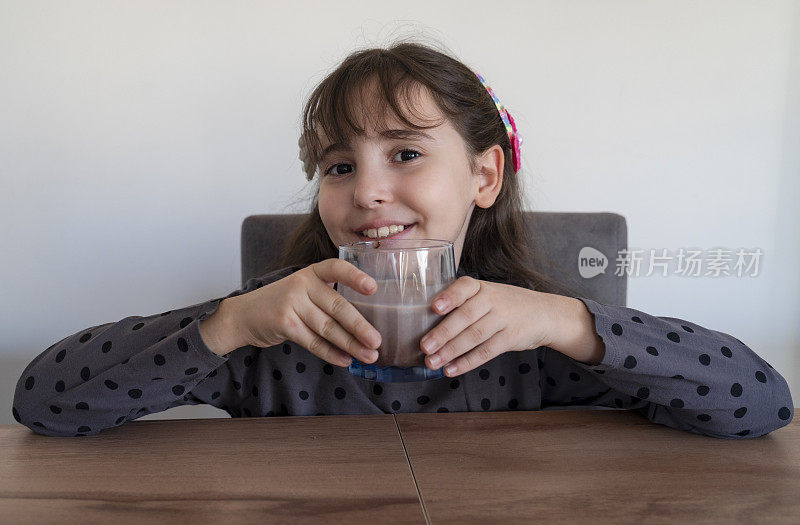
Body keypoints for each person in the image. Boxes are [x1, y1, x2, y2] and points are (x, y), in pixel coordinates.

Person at [13, 41, 793, 439]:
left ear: (484, 175)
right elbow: (43, 402)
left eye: (407, 153)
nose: (367, 191)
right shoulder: (270, 345)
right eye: (339, 165)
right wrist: (232, 321)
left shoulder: (544, 350)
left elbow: (762, 402)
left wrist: (567, 320)